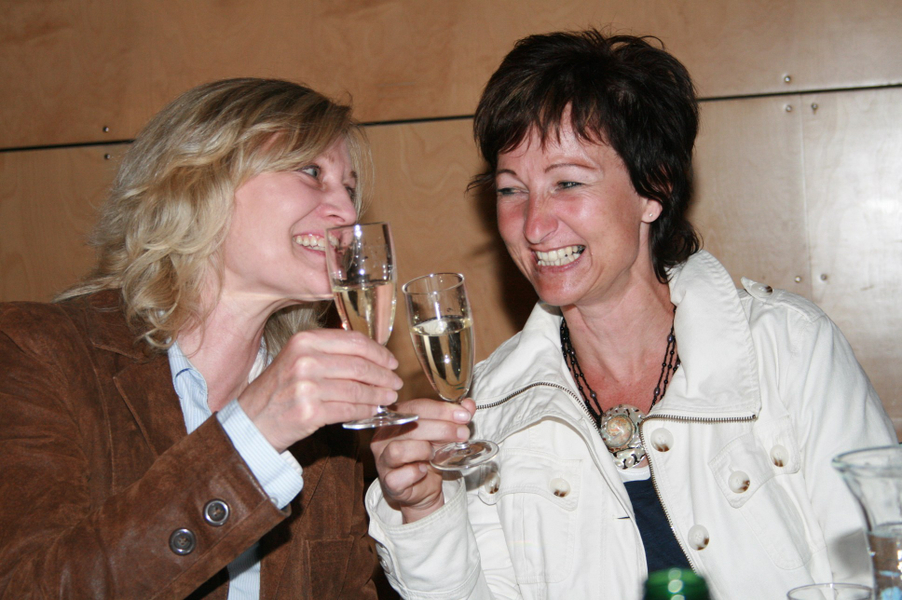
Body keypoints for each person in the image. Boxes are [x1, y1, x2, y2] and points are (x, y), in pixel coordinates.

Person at [366, 30, 897, 599]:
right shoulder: (490, 409)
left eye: (567, 182)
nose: (535, 226)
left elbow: (881, 569)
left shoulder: (789, 348)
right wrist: (424, 511)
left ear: (654, 188)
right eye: (511, 190)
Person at [0, 78, 401, 598]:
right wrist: (251, 436)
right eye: (311, 172)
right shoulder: (37, 351)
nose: (346, 213)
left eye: (349, 188)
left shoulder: (325, 421)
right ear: (200, 179)